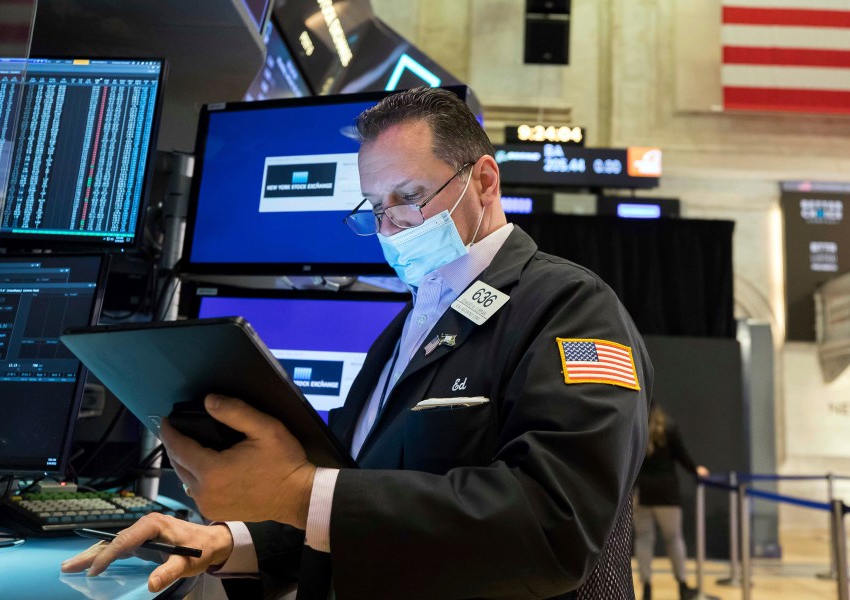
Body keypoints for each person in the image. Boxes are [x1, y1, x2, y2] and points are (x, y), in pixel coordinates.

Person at [62, 87, 652, 600]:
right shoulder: (402, 331)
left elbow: (552, 527)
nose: (392, 226)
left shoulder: (570, 307)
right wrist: (227, 539)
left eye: (411, 195)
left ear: (486, 181)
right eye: (376, 207)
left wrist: (296, 492)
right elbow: (352, 497)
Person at [633, 404, 709, 600]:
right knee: (674, 539)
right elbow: (682, 455)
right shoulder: (669, 428)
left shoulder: (635, 427)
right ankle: (682, 586)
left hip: (642, 492)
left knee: (643, 540)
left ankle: (647, 588)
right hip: (667, 493)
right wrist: (695, 470)